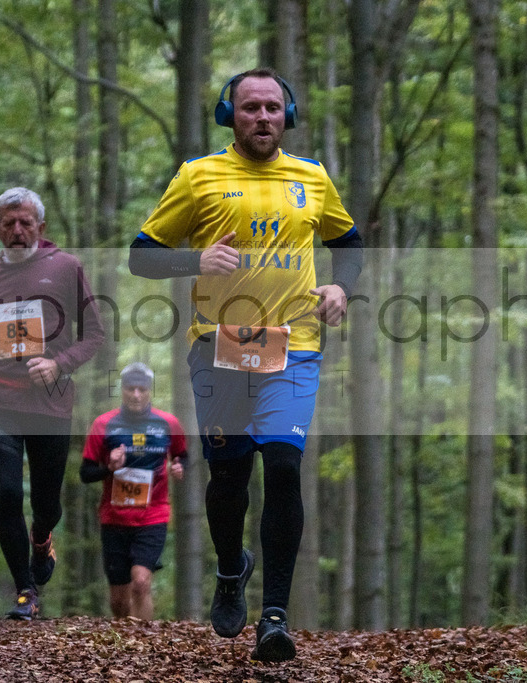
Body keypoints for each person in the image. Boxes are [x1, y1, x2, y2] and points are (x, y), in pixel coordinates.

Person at [128, 67, 363, 661]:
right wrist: (194, 260)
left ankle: (276, 616)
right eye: (251, 108)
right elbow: (141, 258)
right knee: (229, 477)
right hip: (218, 346)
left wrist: (342, 289)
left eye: (273, 109)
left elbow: (349, 243)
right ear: (229, 114)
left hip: (295, 344)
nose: (263, 118)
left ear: (289, 116)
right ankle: (232, 569)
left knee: (283, 466)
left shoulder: (310, 178)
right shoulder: (198, 176)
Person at [0, 186, 105, 620]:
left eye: (26, 223)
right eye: (9, 224)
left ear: (41, 227)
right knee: (6, 492)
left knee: (46, 502)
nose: (18, 231)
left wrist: (59, 365)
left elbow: (94, 334)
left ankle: (43, 537)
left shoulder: (65, 267)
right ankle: (26, 591)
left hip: (50, 401)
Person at [79, 362, 187, 620]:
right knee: (118, 599)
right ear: (122, 390)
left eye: (141, 389)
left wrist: (180, 467)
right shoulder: (103, 424)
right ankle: (124, 646)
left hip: (153, 515)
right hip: (114, 517)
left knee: (141, 582)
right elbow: (85, 473)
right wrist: (109, 468)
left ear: (149, 391)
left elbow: (183, 455)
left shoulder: (168, 423)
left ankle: (144, 649)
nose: (136, 394)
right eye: (130, 389)